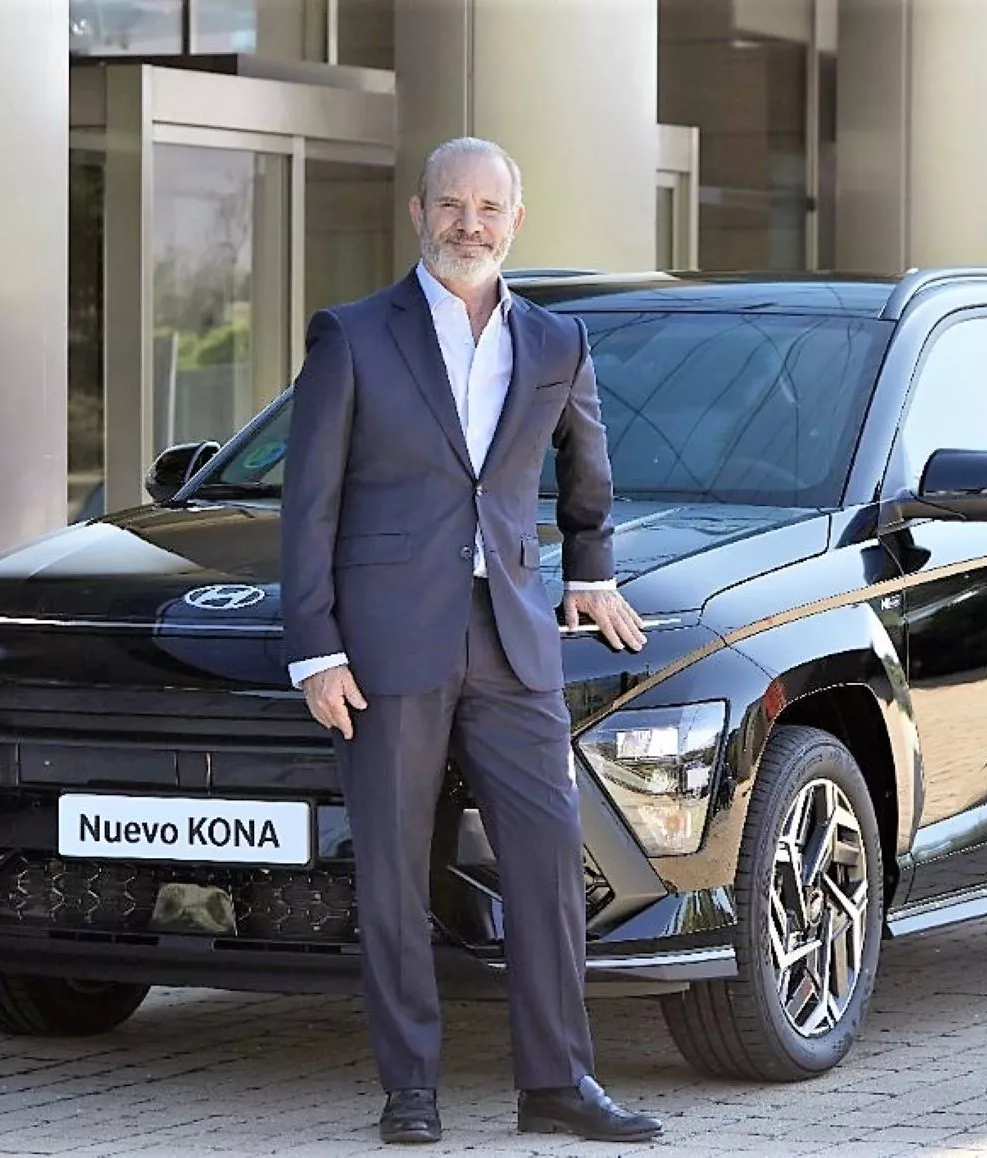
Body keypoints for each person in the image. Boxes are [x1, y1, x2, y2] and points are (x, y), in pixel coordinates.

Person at [280, 136, 663, 1146]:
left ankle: (556, 1085)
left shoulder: (553, 342)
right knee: (395, 876)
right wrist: (314, 647)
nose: (469, 225)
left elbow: (587, 465)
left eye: (488, 209)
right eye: (451, 206)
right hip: (384, 649)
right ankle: (409, 1087)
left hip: (513, 643)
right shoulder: (354, 337)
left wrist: (591, 569)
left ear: (514, 221)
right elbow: (308, 502)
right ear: (417, 213)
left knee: (542, 865)